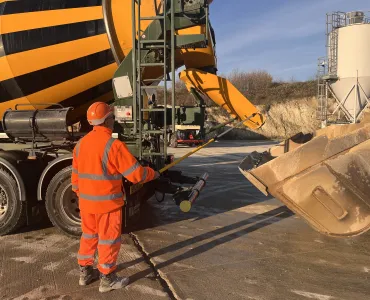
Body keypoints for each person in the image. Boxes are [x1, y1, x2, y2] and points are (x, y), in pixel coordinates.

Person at [71, 102, 159, 293]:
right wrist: (153, 173)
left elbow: (75, 179)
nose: (113, 120)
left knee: (89, 236)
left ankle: (85, 273)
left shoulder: (80, 145)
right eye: (112, 117)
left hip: (86, 205)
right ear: (107, 120)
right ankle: (107, 279)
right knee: (108, 240)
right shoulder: (113, 145)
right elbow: (136, 175)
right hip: (107, 205)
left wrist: (83, 196)